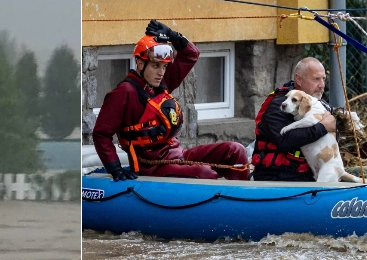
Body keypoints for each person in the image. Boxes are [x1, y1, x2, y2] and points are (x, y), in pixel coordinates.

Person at [92, 20, 251, 182]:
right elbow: (101, 134)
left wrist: (172, 34)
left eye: (164, 66)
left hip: (179, 156)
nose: (161, 72)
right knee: (206, 174)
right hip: (152, 167)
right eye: (155, 66)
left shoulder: (160, 84)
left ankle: (244, 199)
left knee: (235, 150)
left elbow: (191, 54)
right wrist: (115, 169)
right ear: (140, 64)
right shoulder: (124, 92)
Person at [251, 57, 338, 182]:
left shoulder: (319, 104)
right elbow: (284, 140)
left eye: (323, 79)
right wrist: (323, 127)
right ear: (299, 79)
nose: (322, 85)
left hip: (310, 172)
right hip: (280, 176)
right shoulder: (280, 105)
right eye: (316, 79)